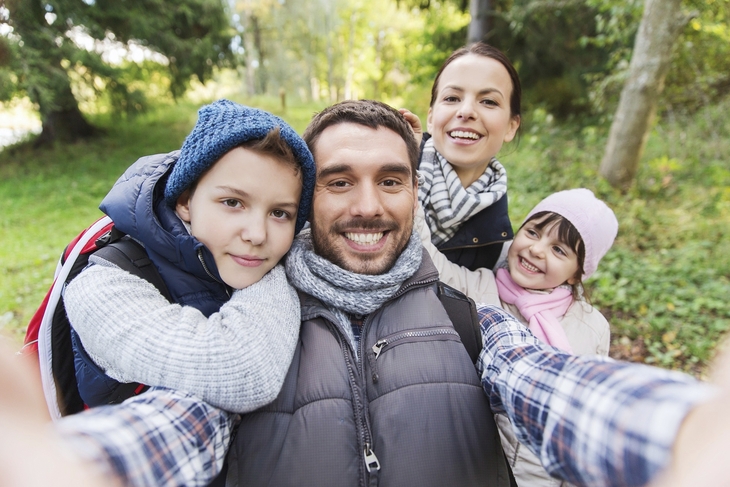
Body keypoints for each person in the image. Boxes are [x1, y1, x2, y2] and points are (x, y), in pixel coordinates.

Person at [49, 100, 717, 487]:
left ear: (415, 193)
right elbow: (176, 425)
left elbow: (553, 387)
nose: (368, 206)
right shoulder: (249, 323)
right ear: (306, 202)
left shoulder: (471, 317)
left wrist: (682, 434)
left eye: (391, 180)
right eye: (339, 182)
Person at [63, 99, 316, 414]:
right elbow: (244, 372)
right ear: (185, 201)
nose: (257, 234)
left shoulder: (243, 253)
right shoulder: (104, 288)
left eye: (280, 213)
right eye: (233, 202)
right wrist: (279, 269)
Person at [416, 188, 618, 486]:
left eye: (559, 250)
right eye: (533, 232)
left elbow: (590, 417)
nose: (537, 249)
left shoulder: (591, 326)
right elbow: (429, 260)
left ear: (577, 274)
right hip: (481, 472)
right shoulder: (479, 288)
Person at [413, 42, 522, 271]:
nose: (466, 111)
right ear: (431, 118)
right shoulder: (386, 172)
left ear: (511, 126)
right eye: (452, 98)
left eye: (488, 101)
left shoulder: (501, 247)